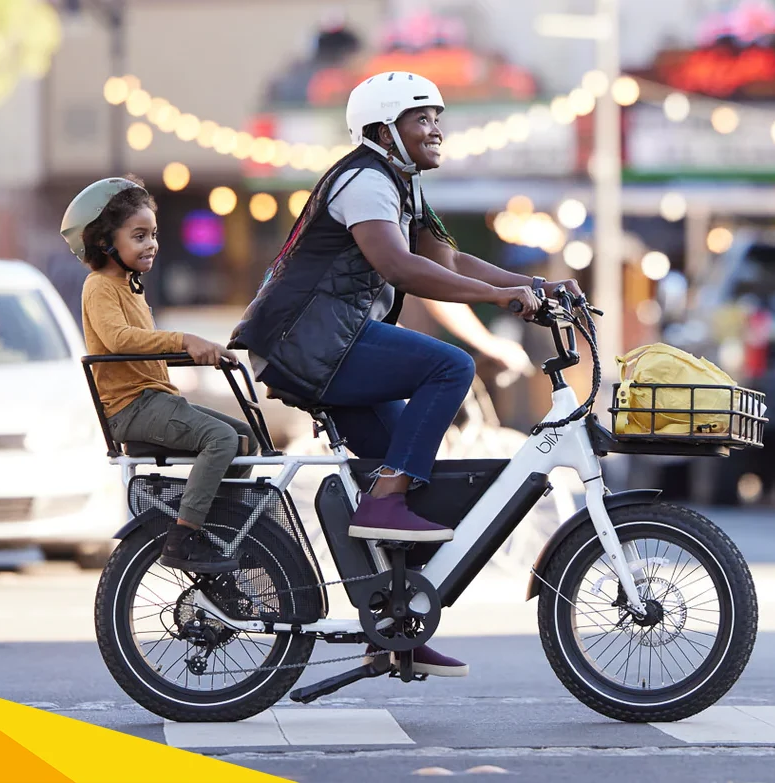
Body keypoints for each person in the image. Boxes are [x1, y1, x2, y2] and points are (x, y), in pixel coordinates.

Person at [231, 72, 581, 677]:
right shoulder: (365, 180)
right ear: (383, 129)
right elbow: (401, 267)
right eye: (421, 118)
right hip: (310, 344)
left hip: (329, 345)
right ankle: (386, 505)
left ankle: (393, 627)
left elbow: (448, 259)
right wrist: (498, 301)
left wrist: (533, 285)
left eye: (438, 116)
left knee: (404, 474)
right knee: (449, 366)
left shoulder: (403, 186)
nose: (436, 128)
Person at [60, 175, 260, 573]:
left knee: (245, 438)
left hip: (156, 400)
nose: (151, 243)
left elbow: (146, 345)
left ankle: (216, 522)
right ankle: (184, 536)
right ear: (105, 243)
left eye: (153, 234)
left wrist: (210, 351)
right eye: (138, 235)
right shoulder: (99, 285)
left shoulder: (133, 287)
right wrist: (184, 340)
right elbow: (119, 340)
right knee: (220, 439)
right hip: (131, 407)